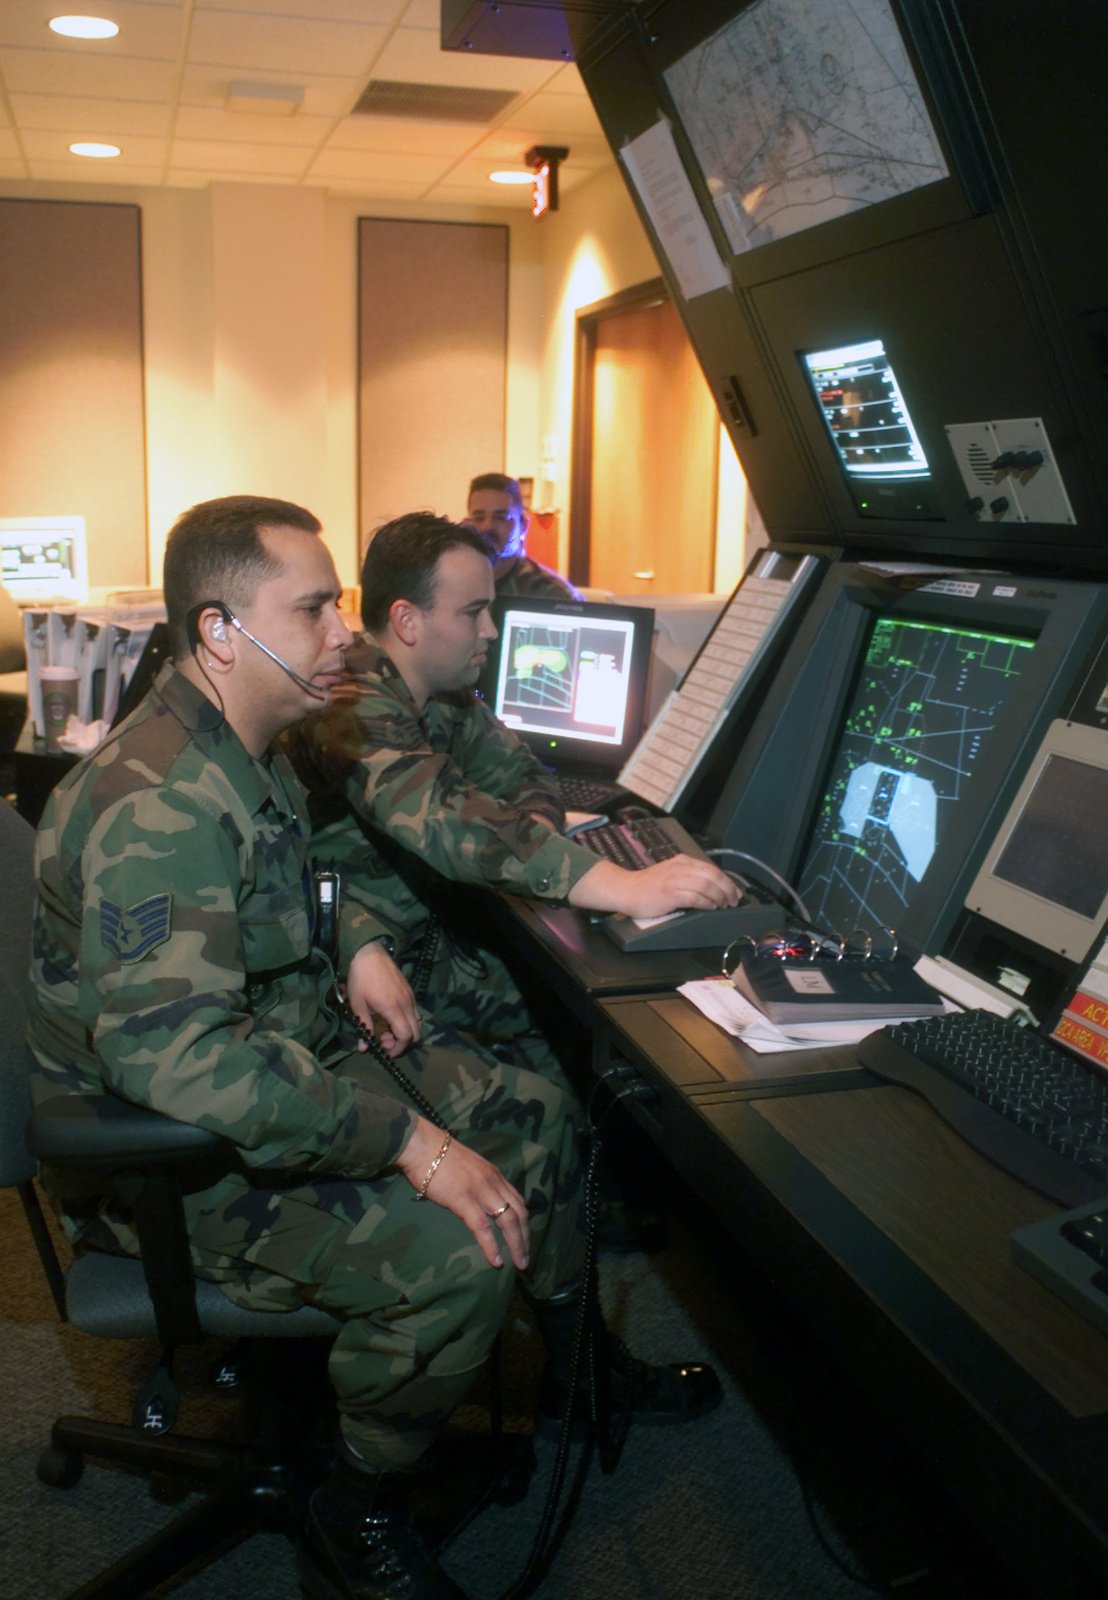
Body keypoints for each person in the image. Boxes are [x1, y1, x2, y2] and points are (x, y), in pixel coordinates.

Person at [27, 495, 721, 1600]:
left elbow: (291, 878)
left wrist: (347, 937)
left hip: (284, 1053)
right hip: (167, 1154)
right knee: (450, 1263)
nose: (343, 634)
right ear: (220, 631)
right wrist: (408, 1141)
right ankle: (358, 1504)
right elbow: (175, 1063)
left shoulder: (238, 746)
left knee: (539, 1120)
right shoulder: (155, 802)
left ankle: (579, 1375)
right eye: (311, 610)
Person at [287, 511, 739, 1082]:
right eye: (473, 613)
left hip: (429, 943)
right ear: (407, 620)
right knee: (578, 1058)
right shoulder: (351, 700)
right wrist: (622, 884)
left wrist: (528, 842)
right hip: (365, 967)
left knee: (579, 1032)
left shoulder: (445, 697)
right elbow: (445, 819)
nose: (491, 632)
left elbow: (528, 777)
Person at [464, 471, 582, 602]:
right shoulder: (454, 584)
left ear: (523, 526)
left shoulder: (553, 595)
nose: (488, 526)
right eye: (479, 517)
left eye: (501, 517)